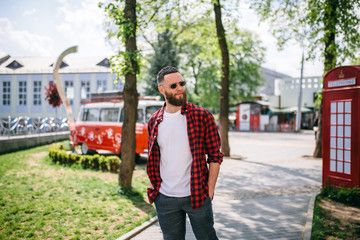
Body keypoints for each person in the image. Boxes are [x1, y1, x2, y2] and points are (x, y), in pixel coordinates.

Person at [146, 66, 223, 240]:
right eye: (173, 86)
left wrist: (209, 190)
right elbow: (154, 159)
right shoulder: (154, 121)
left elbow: (215, 156)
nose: (180, 88)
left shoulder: (202, 116)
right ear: (162, 90)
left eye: (182, 83)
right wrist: (157, 191)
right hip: (165, 198)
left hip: (197, 194)